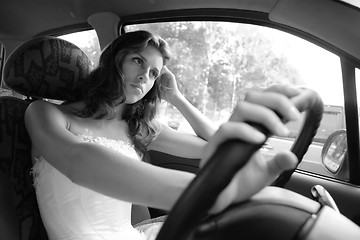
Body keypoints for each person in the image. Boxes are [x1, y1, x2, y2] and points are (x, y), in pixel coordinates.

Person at [25, 30, 301, 240]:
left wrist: (178, 98)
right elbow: (79, 163)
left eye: (154, 72)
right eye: (137, 61)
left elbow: (214, 146)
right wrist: (209, 194)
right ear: (113, 61)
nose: (146, 76)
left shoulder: (137, 128)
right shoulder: (45, 114)